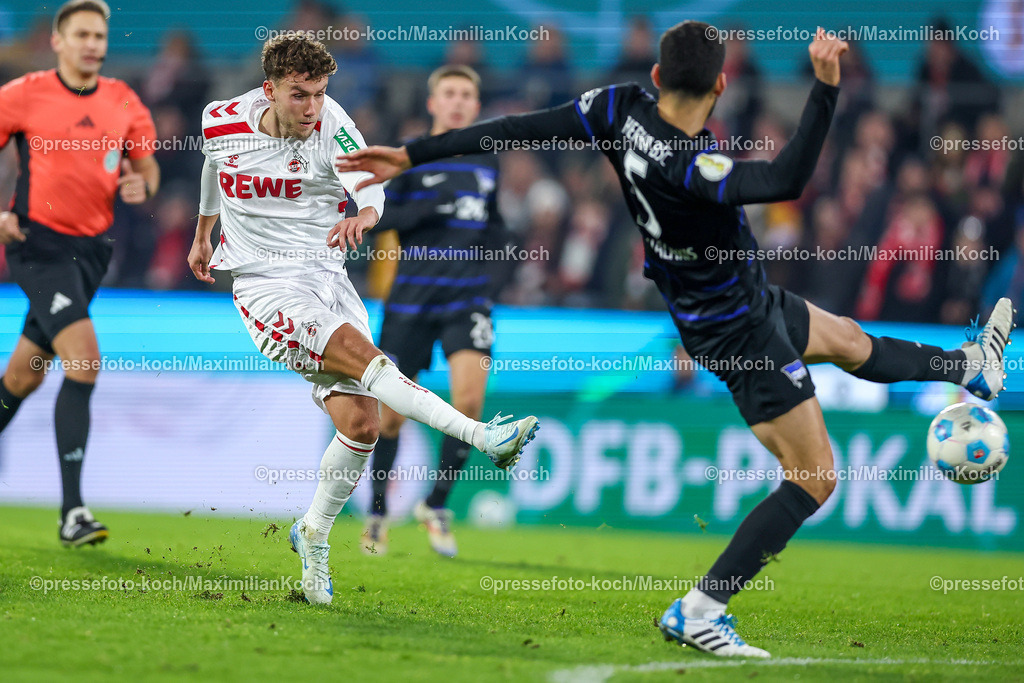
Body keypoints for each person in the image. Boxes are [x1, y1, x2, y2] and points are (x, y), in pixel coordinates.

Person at [335, 22, 1014, 657]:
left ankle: (968, 367)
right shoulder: (697, 168)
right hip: (739, 328)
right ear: (720, 87)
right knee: (815, 477)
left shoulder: (615, 109)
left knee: (848, 340)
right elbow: (786, 180)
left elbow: (515, 127)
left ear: (658, 74)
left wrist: (411, 153)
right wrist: (826, 87)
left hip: (732, 305)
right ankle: (700, 610)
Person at [186, 36, 538, 605]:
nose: (311, 108)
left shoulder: (333, 126)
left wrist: (367, 217)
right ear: (269, 88)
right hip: (266, 288)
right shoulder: (221, 119)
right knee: (372, 363)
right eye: (299, 96)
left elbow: (369, 191)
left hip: (329, 281)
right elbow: (212, 163)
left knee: (363, 427)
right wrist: (204, 232)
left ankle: (312, 535)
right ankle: (484, 436)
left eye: (320, 94)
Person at [0, 0, 159, 547]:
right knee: (86, 363)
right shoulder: (24, 93)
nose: (93, 43)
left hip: (92, 253)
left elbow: (147, 166)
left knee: (23, 376)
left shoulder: (123, 99)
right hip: (37, 245)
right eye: (82, 34)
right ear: (58, 40)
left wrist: (143, 183)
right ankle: (73, 513)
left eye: (99, 35)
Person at [360, 64, 506, 558]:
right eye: (450, 93)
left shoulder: (488, 161)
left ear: (476, 105)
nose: (459, 101)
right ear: (433, 103)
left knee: (468, 404)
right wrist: (426, 210)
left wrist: (495, 277)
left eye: (467, 93)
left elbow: (496, 225)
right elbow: (378, 218)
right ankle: (378, 514)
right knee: (393, 417)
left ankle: (436, 504)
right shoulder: (408, 157)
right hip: (411, 300)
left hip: (467, 298)